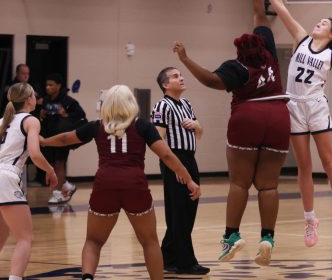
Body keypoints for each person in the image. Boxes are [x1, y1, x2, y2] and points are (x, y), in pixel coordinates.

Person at [173, 0, 290, 266]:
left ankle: (232, 236)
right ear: (260, 45)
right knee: (269, 185)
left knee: (239, 183)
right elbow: (258, 12)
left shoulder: (237, 68)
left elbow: (211, 81)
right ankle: (268, 237)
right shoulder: (270, 54)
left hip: (248, 117)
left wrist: (186, 59)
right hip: (278, 116)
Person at [249, 0, 332, 248]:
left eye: (325, 23)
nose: (320, 22)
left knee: (328, 163)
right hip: (293, 105)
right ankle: (310, 220)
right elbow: (280, 7)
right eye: (321, 21)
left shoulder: (330, 56)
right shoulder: (301, 39)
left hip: (315, 106)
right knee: (303, 165)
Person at [40, 85, 201, 280]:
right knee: (149, 241)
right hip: (135, 186)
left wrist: (44, 141)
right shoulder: (142, 126)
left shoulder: (96, 126)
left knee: (93, 240)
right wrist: (189, 179)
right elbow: (166, 154)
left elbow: (66, 139)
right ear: (131, 103)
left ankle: (88, 277)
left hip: (104, 185)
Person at [151, 67, 209, 275]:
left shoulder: (186, 104)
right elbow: (157, 140)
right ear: (166, 85)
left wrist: (197, 125)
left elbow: (199, 133)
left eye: (181, 75)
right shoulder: (162, 106)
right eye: (176, 76)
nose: (181, 78)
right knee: (180, 213)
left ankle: (167, 257)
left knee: (187, 209)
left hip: (189, 159)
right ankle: (186, 262)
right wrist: (174, 165)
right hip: (175, 160)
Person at [0, 82, 58, 280]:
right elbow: (35, 153)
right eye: (35, 93)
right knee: (25, 238)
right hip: (6, 177)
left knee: (2, 233)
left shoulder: (2, 121)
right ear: (28, 99)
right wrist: (50, 170)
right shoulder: (31, 120)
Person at [40, 73, 87, 204]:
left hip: (62, 137)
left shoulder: (68, 101)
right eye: (46, 85)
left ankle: (58, 193)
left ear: (59, 86)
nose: (48, 87)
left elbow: (81, 115)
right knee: (51, 164)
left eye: (51, 85)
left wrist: (66, 114)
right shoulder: (46, 101)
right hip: (49, 137)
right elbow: (44, 118)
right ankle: (66, 186)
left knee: (59, 163)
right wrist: (42, 115)